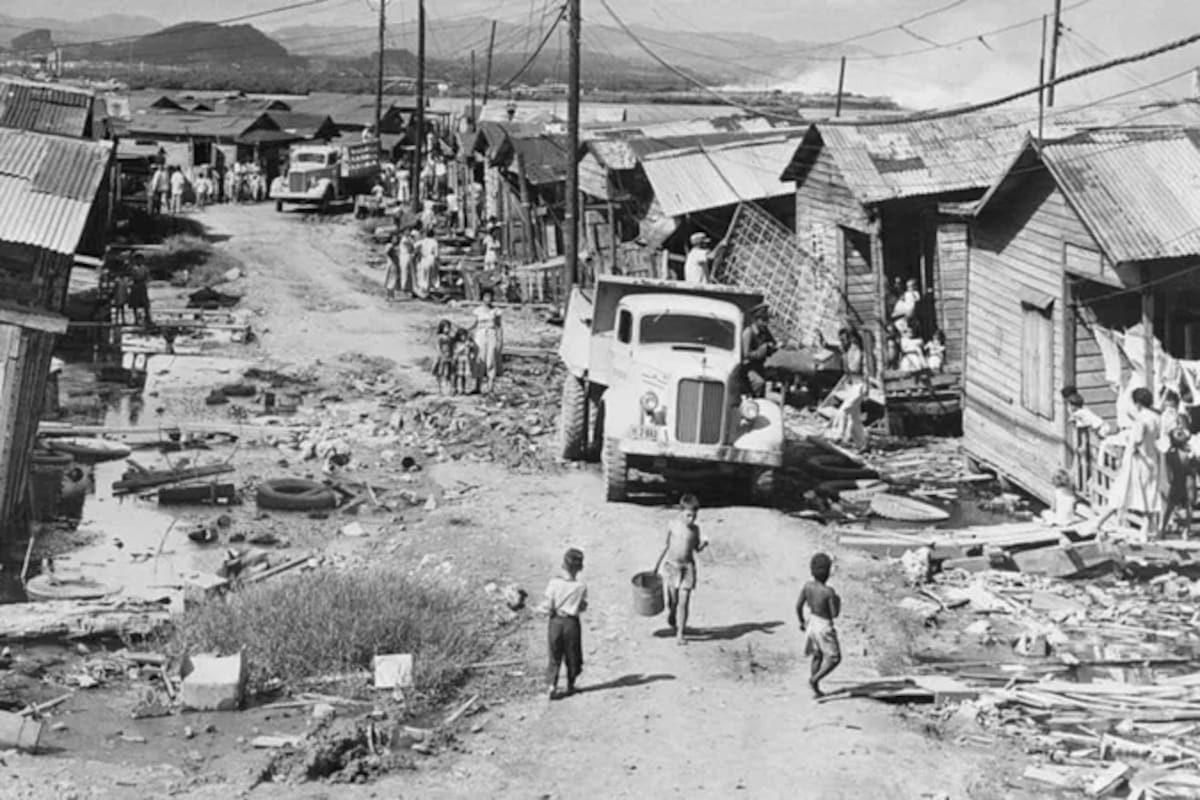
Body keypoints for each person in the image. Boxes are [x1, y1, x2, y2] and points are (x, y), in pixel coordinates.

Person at [1096, 387, 1164, 537]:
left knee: (1120, 492)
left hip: (1138, 461)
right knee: (1149, 494)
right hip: (1152, 459)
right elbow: (1157, 437)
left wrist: (1130, 450)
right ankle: (1145, 532)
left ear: (1138, 403)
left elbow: (1138, 440)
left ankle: (1098, 523)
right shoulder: (1156, 418)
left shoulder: (1141, 420)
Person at [653, 494, 708, 646]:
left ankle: (680, 633)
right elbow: (666, 546)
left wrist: (703, 544)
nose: (691, 519)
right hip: (672, 566)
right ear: (681, 511)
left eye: (694, 516)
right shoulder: (673, 525)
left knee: (684, 602)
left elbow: (696, 548)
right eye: (688, 515)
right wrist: (655, 567)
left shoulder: (695, 530)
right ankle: (672, 614)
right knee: (674, 600)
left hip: (688, 568)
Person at [541, 548, 588, 699]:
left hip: (555, 622)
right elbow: (582, 606)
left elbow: (549, 605)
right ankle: (571, 684)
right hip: (571, 623)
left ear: (563, 565)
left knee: (554, 655)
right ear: (580, 568)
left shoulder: (554, 583)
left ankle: (551, 685)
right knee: (572, 655)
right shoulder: (581, 586)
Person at [797, 552, 842, 697]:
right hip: (823, 626)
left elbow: (798, 606)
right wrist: (837, 600)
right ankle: (814, 680)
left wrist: (802, 622)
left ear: (811, 570)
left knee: (817, 655)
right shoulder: (828, 592)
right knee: (835, 658)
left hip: (812, 622)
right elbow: (834, 614)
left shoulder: (807, 586)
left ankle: (816, 689)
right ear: (828, 573)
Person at [829, 327, 869, 451]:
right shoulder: (846, 350)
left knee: (844, 410)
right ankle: (861, 444)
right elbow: (834, 347)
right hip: (852, 386)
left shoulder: (856, 349)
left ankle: (838, 435)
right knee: (854, 418)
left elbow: (858, 368)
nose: (842, 342)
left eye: (844, 339)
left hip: (859, 386)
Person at [1162, 426, 1195, 538]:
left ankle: (1163, 529)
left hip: (1177, 482)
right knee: (1188, 506)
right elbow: (1192, 468)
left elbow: (1168, 471)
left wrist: (1169, 480)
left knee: (1170, 506)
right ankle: (1186, 530)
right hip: (1187, 481)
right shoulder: (1189, 454)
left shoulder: (1169, 454)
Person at [470, 287, 503, 393]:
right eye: (486, 296)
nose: (488, 299)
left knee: (491, 359)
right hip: (480, 334)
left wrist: (500, 340)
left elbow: (498, 326)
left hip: (491, 334)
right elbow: (474, 324)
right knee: (479, 358)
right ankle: (477, 386)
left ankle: (490, 385)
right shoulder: (477, 311)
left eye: (490, 296)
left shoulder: (496, 311)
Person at [741, 304, 777, 398]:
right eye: (763, 320)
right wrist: (761, 351)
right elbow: (746, 354)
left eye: (767, 320)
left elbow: (773, 342)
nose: (766, 323)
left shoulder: (764, 331)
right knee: (759, 382)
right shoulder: (748, 333)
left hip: (760, 366)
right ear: (756, 320)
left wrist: (771, 347)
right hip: (748, 368)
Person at [414, 227, 440, 300]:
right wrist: (438, 261)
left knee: (422, 275)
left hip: (424, 258)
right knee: (431, 275)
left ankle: (423, 291)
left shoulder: (422, 241)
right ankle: (428, 291)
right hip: (431, 258)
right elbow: (436, 254)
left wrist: (418, 253)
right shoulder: (434, 242)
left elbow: (414, 246)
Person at [432, 319, 455, 395]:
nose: (448, 329)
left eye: (449, 327)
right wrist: (440, 354)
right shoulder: (440, 337)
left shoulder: (450, 337)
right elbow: (438, 346)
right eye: (446, 327)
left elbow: (451, 347)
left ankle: (448, 389)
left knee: (448, 372)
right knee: (440, 372)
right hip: (441, 356)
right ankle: (440, 389)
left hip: (448, 356)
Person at [128, 253, 151, 326]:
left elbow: (147, 277)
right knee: (135, 303)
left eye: (140, 260)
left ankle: (148, 318)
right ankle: (136, 319)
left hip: (142, 285)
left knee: (145, 303)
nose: (139, 261)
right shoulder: (133, 268)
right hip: (135, 285)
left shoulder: (145, 268)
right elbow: (131, 276)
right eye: (137, 260)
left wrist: (146, 282)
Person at [452, 327, 476, 395]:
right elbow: (456, 351)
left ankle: (465, 389)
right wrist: (464, 346)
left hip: (466, 360)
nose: (463, 337)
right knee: (459, 375)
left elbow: (472, 349)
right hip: (460, 360)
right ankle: (459, 389)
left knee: (466, 375)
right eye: (462, 336)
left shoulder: (468, 342)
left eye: (465, 336)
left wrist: (472, 353)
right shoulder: (457, 343)